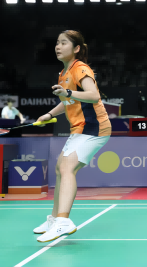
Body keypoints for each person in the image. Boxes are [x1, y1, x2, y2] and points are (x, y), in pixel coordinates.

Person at [33, 30, 111, 243]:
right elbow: (68, 100)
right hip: (79, 128)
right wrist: (49, 114)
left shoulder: (80, 68)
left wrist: (67, 93)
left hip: (94, 127)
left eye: (63, 43)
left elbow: (93, 95)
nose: (58, 46)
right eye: (57, 43)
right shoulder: (64, 73)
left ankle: (63, 221)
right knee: (61, 168)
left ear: (76, 48)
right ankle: (54, 220)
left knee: (67, 168)